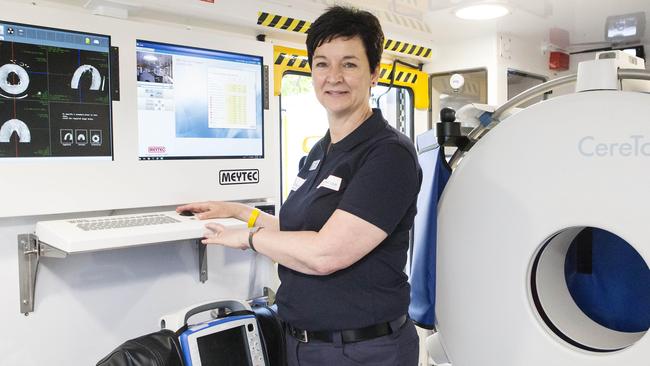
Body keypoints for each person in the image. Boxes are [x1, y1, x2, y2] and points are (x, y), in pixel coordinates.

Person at [177, 6, 422, 365]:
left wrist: (248, 239)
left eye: (349, 64)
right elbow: (299, 230)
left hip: (363, 350)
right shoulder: (321, 151)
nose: (334, 76)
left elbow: (325, 253)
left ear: (374, 74)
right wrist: (239, 213)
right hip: (303, 344)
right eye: (322, 63)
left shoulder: (388, 154)